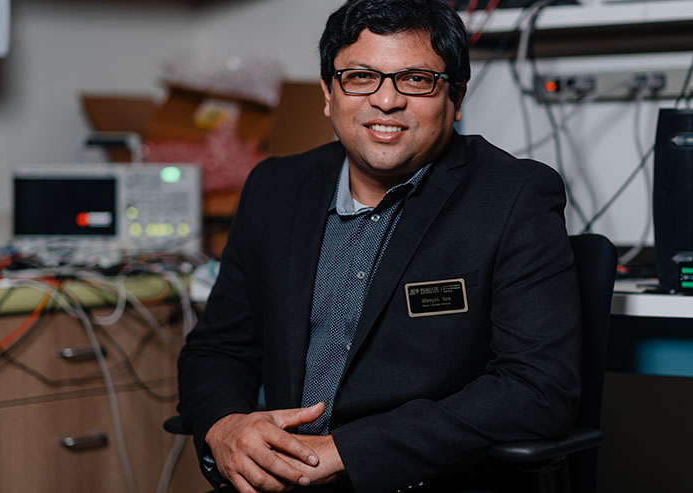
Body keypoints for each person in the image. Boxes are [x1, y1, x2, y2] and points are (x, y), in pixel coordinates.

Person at [176, 0, 582, 491]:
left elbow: (539, 389)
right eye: (361, 77)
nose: (386, 101)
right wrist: (224, 427)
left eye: (415, 80)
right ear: (328, 93)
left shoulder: (513, 197)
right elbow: (217, 347)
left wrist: (347, 450)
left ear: (456, 97)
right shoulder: (275, 188)